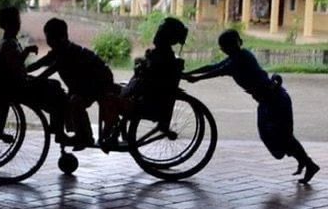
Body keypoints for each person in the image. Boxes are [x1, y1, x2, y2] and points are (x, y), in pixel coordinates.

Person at [183, 29, 320, 184]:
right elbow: (211, 67)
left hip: (276, 100)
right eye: (227, 46)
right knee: (275, 136)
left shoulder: (241, 58)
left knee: (282, 136)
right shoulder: (234, 59)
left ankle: (308, 164)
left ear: (238, 43)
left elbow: (217, 71)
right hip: (268, 101)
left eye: (232, 44)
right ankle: (305, 161)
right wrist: (189, 73)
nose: (230, 48)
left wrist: (195, 78)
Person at [99, 17, 189, 151]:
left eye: (161, 32)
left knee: (108, 98)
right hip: (142, 98)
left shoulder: (160, 59)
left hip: (143, 103)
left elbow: (145, 84)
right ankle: (112, 131)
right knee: (108, 90)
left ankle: (110, 135)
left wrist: (127, 90)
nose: (156, 35)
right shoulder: (161, 56)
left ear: (167, 37)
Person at [26, 18, 115, 151]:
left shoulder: (67, 52)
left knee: (74, 102)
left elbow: (50, 69)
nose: (48, 42)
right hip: (87, 84)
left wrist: (34, 80)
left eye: (50, 38)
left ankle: (85, 136)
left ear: (62, 38)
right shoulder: (61, 50)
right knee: (69, 100)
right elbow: (41, 63)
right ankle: (79, 133)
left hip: (98, 83)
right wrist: (24, 70)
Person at [0, 7, 66, 138]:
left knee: (54, 85)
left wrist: (28, 63)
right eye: (14, 22)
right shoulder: (8, 44)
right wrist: (27, 53)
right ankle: (58, 128)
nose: (17, 25)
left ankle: (57, 125)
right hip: (18, 86)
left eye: (17, 21)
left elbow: (20, 65)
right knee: (55, 89)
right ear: (5, 25)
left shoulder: (9, 42)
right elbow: (16, 66)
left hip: (17, 82)